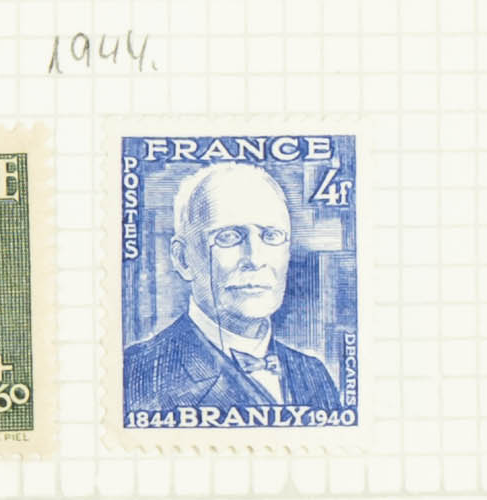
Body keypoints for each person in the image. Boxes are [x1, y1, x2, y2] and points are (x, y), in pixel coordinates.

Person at [125, 154, 346, 418]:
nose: (255, 259)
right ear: (183, 259)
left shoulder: (313, 374)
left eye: (271, 236)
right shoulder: (138, 372)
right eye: (228, 236)